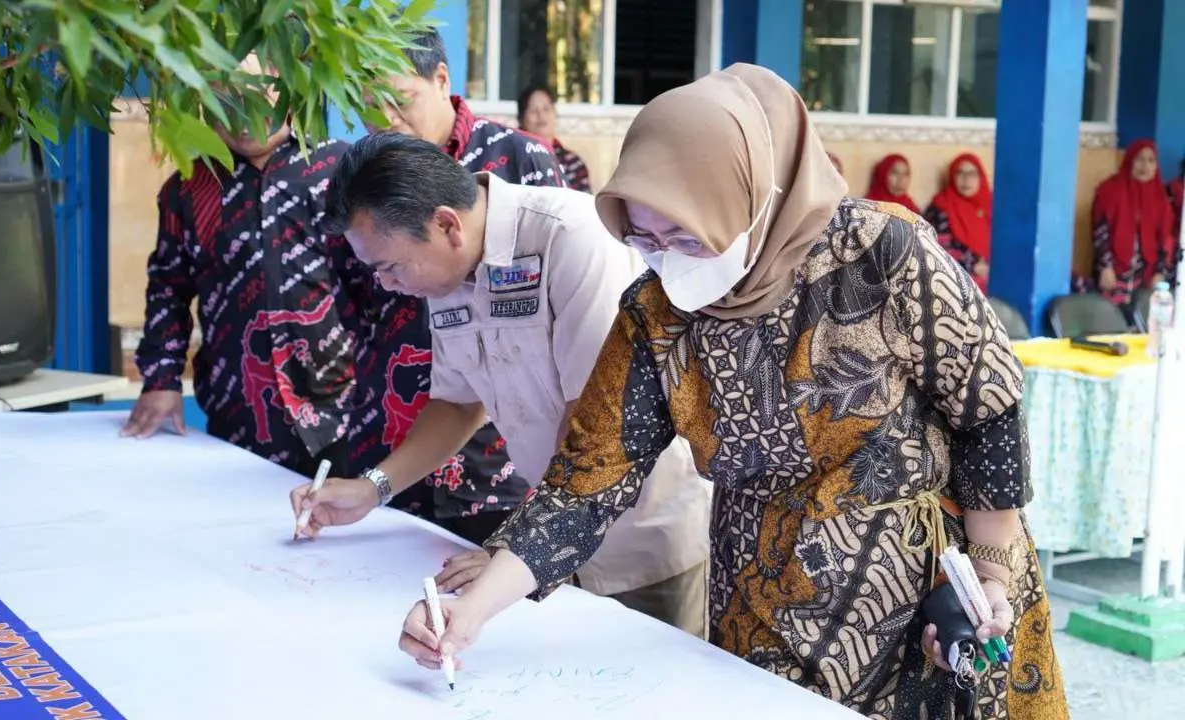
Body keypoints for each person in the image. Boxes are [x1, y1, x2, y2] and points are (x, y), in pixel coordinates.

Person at [397, 64, 1068, 719]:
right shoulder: (654, 314)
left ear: (751, 196)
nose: (670, 263)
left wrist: (988, 573)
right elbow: (585, 482)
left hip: (926, 590)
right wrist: (472, 612)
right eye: (648, 241)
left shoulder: (882, 252)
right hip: (762, 603)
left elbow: (988, 406)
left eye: (686, 235)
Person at [295, 132, 712, 635]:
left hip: (638, 543)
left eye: (389, 266)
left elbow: (593, 423)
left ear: (447, 224)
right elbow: (456, 405)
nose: (385, 284)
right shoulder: (446, 270)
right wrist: (372, 489)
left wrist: (513, 546)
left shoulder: (568, 236)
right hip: (547, 539)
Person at [319, 28, 564, 544]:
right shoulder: (357, 181)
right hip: (391, 437)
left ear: (441, 78)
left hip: (497, 460)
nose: (382, 118)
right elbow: (351, 304)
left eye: (397, 99)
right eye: (365, 106)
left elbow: (554, 322)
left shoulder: (519, 163)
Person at [121, 54, 355, 477]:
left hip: (345, 412)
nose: (244, 118)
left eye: (256, 97)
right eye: (228, 102)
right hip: (240, 414)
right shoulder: (190, 189)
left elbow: (384, 289)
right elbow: (168, 289)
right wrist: (161, 379)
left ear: (285, 90)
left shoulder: (341, 172)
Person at [1092, 139, 1178, 314]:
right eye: (1139, 159)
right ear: (1129, 161)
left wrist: (1160, 272)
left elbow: (1166, 241)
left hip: (1146, 277)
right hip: (1113, 275)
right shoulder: (1109, 191)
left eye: (1150, 160)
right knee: (1112, 322)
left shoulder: (1160, 199)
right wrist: (1105, 266)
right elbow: (1100, 231)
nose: (1144, 166)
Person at [925, 153, 993, 294]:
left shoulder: (992, 206)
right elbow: (933, 250)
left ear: (981, 177)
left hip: (993, 280)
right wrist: (972, 266)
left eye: (972, 173)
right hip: (955, 283)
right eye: (960, 173)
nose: (966, 179)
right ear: (952, 177)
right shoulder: (940, 207)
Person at [517, 85, 591, 192]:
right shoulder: (515, 159)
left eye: (546, 109)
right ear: (521, 119)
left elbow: (585, 204)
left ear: (555, 113)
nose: (541, 115)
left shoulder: (572, 162)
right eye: (533, 110)